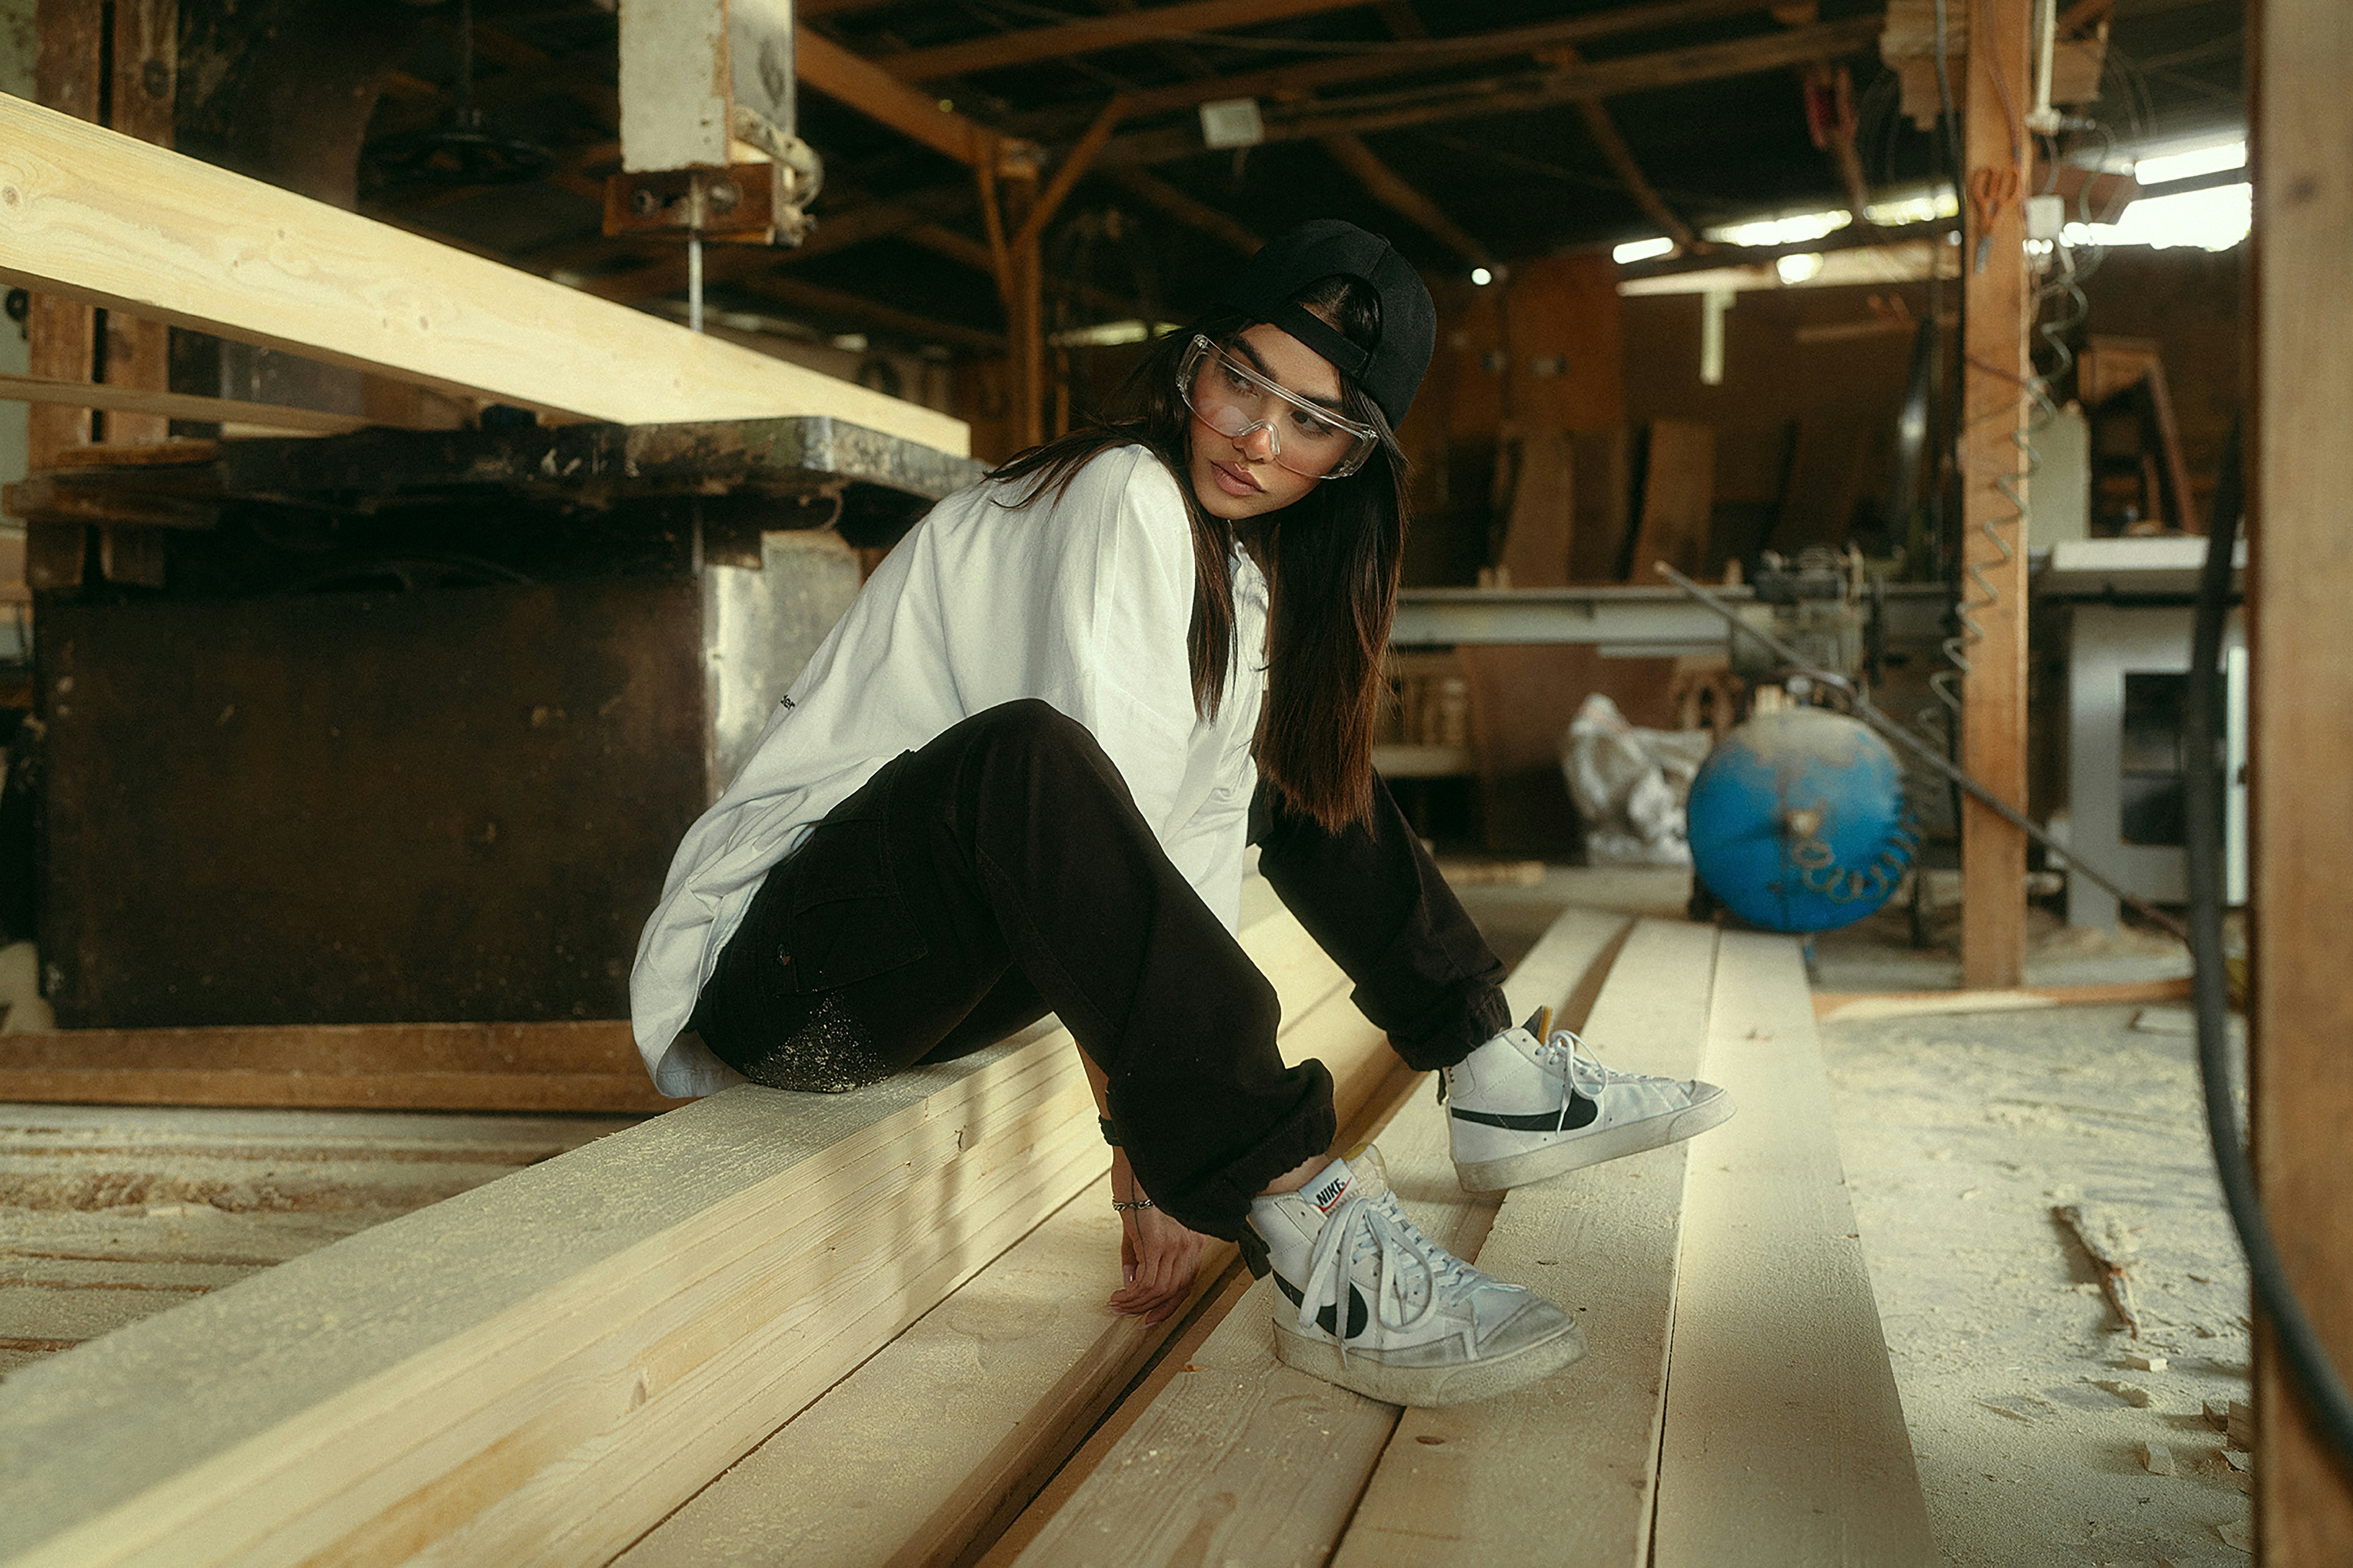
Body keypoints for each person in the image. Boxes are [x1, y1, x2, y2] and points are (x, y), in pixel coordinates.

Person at [630, 219, 1734, 1408]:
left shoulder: (1243, 576)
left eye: (1310, 420)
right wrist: (1155, 1151)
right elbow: (1077, 827)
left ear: (1352, 459)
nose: (1258, 438)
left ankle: (1485, 1063)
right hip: (781, 986)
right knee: (1024, 758)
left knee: (1295, 757)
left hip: (919, 976)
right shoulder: (1118, 496)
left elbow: (1180, 860)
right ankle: (1313, 1228)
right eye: (1239, 381)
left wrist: (1173, 1115)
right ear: (1189, 367)